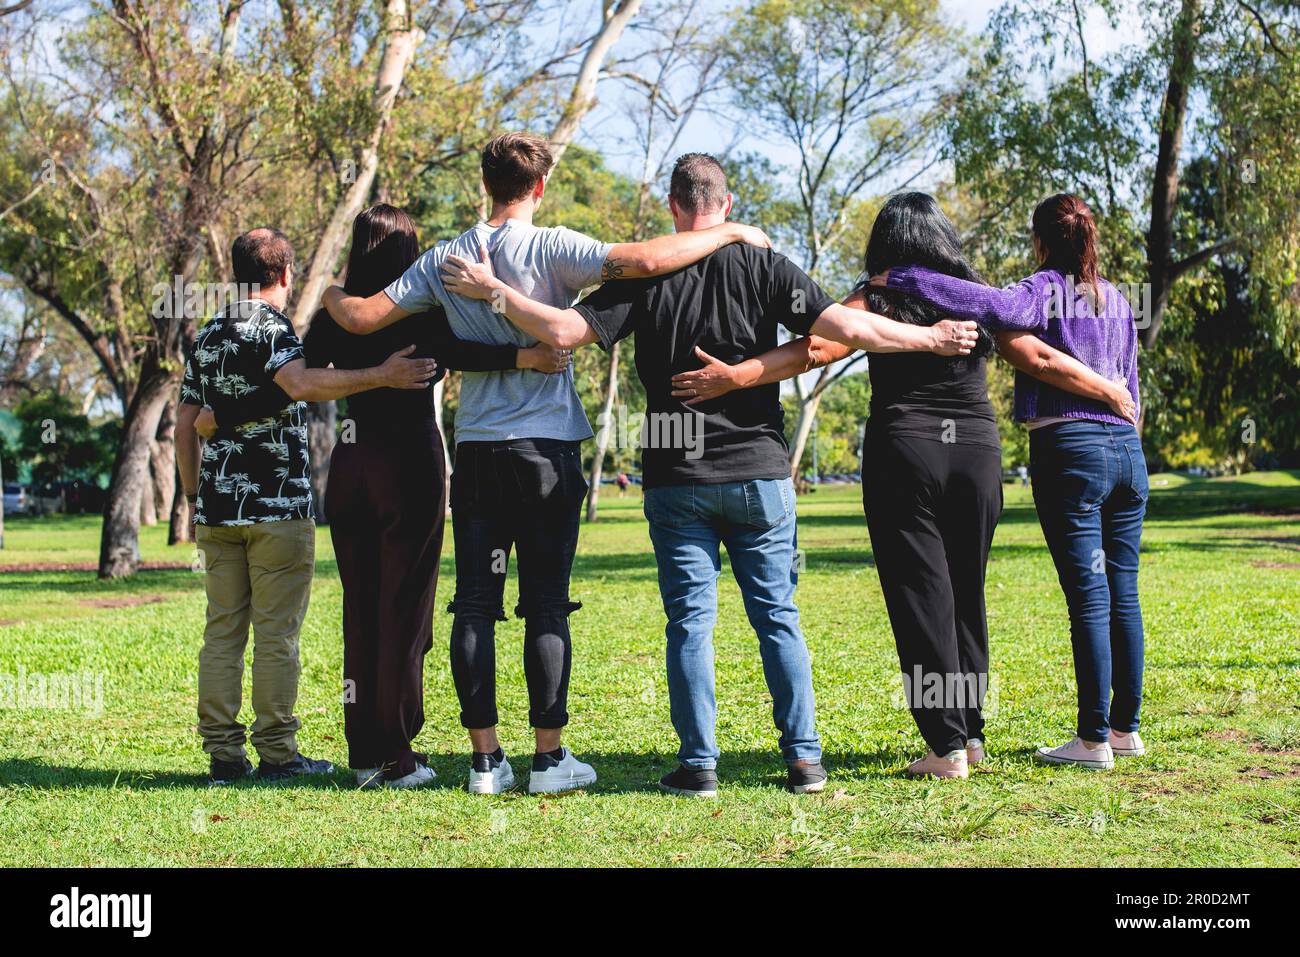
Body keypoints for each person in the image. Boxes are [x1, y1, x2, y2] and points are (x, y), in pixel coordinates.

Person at [440, 154, 981, 796]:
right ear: (726, 206)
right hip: (760, 473)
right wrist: (931, 338)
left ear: (674, 207)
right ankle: (804, 761)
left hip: (676, 479)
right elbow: (842, 329)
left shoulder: (647, 276)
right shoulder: (764, 264)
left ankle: (699, 766)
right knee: (778, 617)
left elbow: (559, 329)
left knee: (690, 624)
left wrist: (493, 291)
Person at [320, 134, 772, 795]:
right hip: (547, 452)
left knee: (475, 604)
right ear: (539, 187)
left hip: (478, 450)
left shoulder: (445, 257)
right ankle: (548, 759)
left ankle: (485, 763)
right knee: (546, 605)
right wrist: (728, 229)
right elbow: (647, 259)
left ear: (486, 184)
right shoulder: (555, 247)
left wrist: (331, 292)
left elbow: (361, 318)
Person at [193, 206, 570, 789]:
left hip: (351, 468)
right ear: (409, 252)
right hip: (409, 465)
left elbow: (296, 382)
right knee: (405, 612)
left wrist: (222, 415)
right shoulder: (427, 307)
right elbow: (467, 351)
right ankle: (397, 757)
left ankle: (366, 749)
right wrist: (528, 355)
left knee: (363, 609)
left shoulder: (337, 312)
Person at [872, 192, 1146, 771]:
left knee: (1090, 596)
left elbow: (991, 305)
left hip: (1074, 448)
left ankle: (1093, 739)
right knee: (1123, 590)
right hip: (1128, 452)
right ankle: (1125, 729)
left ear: (1041, 241)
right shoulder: (1118, 299)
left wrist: (908, 276)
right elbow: (1131, 384)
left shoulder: (1043, 288)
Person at [175, 227, 440, 785]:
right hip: (276, 507)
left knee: (221, 632)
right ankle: (277, 753)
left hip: (217, 511)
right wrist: (381, 375)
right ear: (286, 273)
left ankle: (223, 756)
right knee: (276, 634)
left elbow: (184, 426)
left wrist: (195, 497)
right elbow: (299, 385)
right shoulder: (274, 329)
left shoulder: (207, 334)